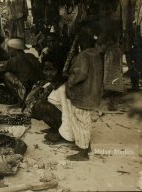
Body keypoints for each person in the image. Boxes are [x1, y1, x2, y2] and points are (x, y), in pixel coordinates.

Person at [46, 27, 103, 161]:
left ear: (82, 42)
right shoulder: (97, 54)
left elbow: (80, 74)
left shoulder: (83, 55)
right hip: (92, 94)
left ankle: (83, 153)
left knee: (80, 122)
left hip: (82, 96)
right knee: (85, 121)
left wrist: (69, 79)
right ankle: (86, 146)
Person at [0, 38, 43, 106]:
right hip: (37, 89)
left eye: (9, 49)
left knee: (7, 75)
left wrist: (0, 80)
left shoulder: (13, 61)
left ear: (14, 49)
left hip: (27, 92)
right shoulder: (31, 56)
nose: (8, 51)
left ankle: (21, 101)